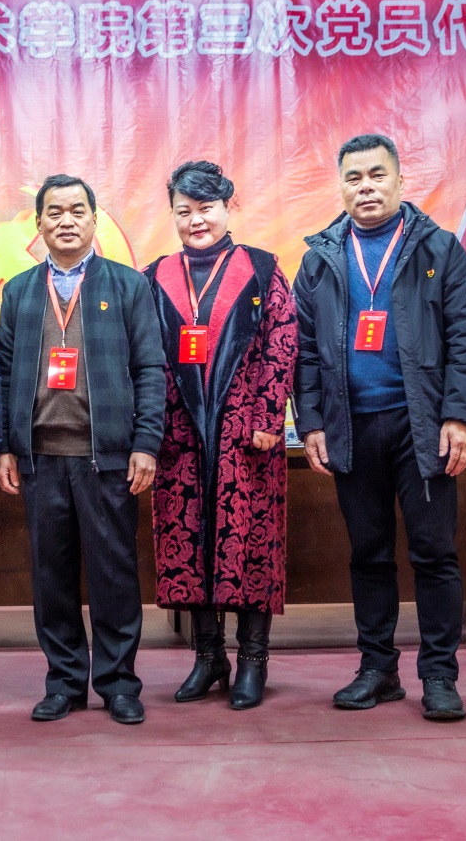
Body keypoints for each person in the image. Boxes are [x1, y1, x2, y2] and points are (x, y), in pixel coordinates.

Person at [293, 133, 466, 721]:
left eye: (377, 175)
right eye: (353, 178)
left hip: (422, 427)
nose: (366, 187)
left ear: (401, 181)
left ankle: (439, 675)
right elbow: (303, 353)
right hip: (351, 428)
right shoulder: (320, 259)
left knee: (434, 552)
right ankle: (377, 669)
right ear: (341, 187)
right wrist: (311, 423)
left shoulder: (439, 248)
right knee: (368, 554)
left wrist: (461, 416)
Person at [0, 174, 165, 725]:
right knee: (52, 577)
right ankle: (64, 682)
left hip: (107, 458)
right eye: (54, 212)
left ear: (94, 219)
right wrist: (6, 447)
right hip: (40, 458)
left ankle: (118, 684)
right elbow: (1, 373)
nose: (66, 221)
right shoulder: (20, 290)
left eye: (76, 211)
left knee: (114, 574)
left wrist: (146, 443)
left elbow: (151, 369)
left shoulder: (128, 285)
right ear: (39, 223)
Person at [144, 161, 297, 710]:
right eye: (183, 211)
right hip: (180, 433)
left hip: (245, 435)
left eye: (206, 208)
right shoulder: (155, 275)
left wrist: (267, 417)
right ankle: (208, 657)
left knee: (249, 541)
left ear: (228, 208)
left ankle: (253, 659)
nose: (196, 221)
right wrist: (151, 427)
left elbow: (283, 341)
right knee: (188, 541)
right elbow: (144, 355)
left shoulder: (262, 269)